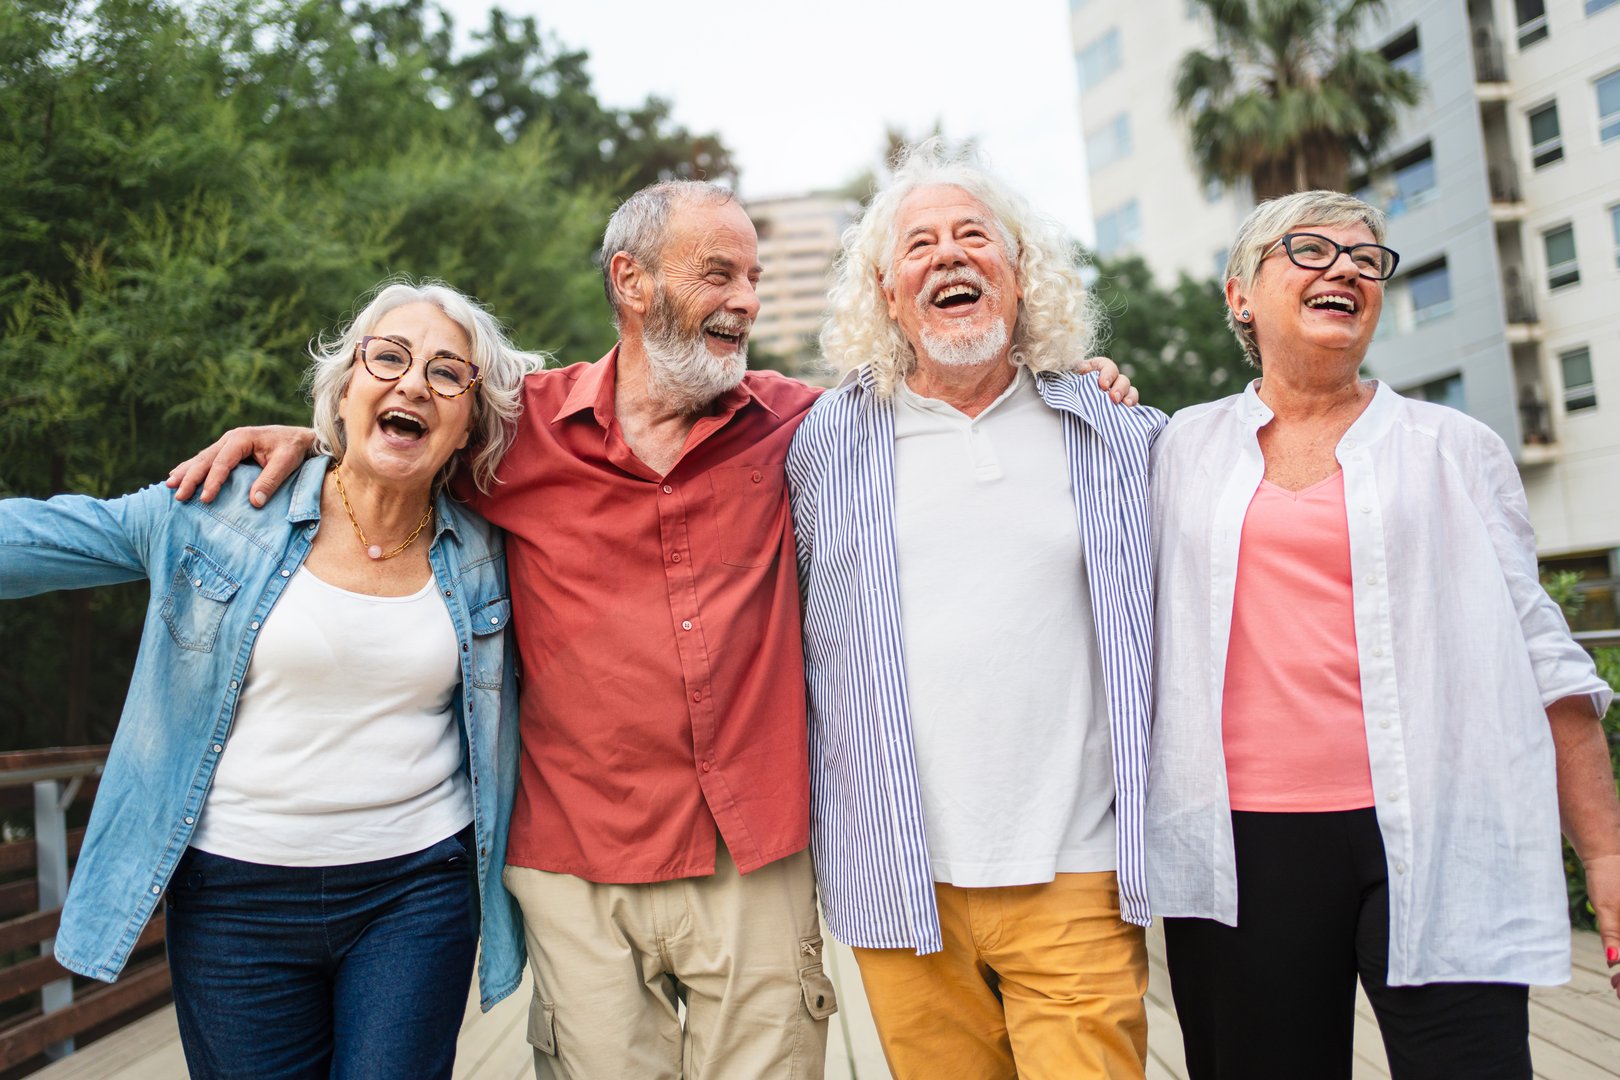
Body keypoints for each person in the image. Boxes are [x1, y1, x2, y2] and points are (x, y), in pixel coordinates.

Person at [166, 179, 1141, 1079]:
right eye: (718, 272)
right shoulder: (515, 431)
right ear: (629, 282)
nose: (747, 300)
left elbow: (948, 395)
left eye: (754, 277)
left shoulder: (807, 426)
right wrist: (309, 443)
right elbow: (398, 439)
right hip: (576, 862)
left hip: (753, 858)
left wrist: (1073, 376)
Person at [0, 280, 532, 1079]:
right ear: (346, 389)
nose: (414, 382)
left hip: (413, 892)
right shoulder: (217, 513)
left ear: (468, 424)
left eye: (448, 373)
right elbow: (49, 536)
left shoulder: (496, 553)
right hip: (233, 899)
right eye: (387, 357)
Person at [1145, 189, 1620, 1080]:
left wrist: (1608, 853)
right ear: (1238, 294)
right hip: (1242, 853)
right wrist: (1091, 379)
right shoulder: (1177, 447)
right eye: (1311, 250)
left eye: (1367, 260)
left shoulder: (1455, 447)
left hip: (1439, 831)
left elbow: (1539, 654)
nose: (1346, 270)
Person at [785, 139, 1165, 1079]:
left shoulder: (1116, 431)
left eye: (973, 236)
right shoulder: (817, 445)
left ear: (1020, 272)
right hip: (899, 882)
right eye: (919, 244)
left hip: (1080, 869)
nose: (949, 256)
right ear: (884, 289)